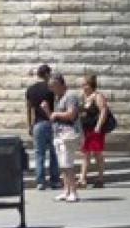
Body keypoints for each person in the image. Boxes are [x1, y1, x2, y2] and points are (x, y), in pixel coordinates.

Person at [26, 64, 60, 190]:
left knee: (39, 154)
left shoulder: (30, 89)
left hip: (37, 124)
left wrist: (29, 125)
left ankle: (40, 182)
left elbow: (29, 108)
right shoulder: (51, 88)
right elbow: (56, 105)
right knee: (54, 153)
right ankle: (55, 180)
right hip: (51, 122)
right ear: (46, 74)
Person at [48, 72, 80, 202]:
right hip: (59, 133)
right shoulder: (58, 97)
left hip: (69, 133)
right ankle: (66, 191)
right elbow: (53, 117)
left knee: (68, 164)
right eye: (51, 87)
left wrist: (56, 114)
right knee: (62, 165)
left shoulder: (70, 96)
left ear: (62, 84)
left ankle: (74, 192)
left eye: (54, 86)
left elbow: (72, 114)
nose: (52, 89)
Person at [78, 74, 109, 189]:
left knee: (97, 153)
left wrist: (98, 126)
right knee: (85, 153)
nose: (82, 86)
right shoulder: (84, 97)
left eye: (85, 84)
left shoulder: (98, 96)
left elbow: (103, 111)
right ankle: (82, 179)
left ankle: (100, 178)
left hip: (95, 130)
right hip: (86, 129)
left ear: (91, 85)